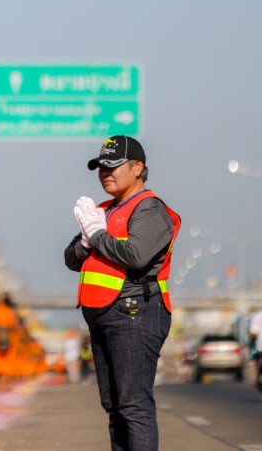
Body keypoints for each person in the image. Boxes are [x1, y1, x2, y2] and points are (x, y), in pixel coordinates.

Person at [65, 135, 181, 451]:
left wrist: (97, 235)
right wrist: (86, 241)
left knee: (133, 406)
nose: (105, 173)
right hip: (104, 315)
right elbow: (71, 259)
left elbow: (136, 255)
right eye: (101, 168)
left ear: (137, 167)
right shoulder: (102, 211)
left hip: (136, 312)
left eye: (112, 166)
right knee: (114, 406)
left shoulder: (149, 209)